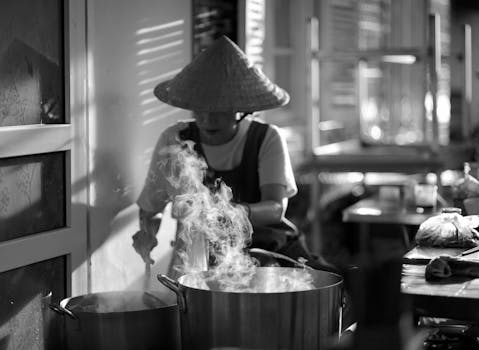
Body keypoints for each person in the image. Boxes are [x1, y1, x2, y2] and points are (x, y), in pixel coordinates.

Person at [133, 35, 335, 272]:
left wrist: (230, 213)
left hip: (267, 254)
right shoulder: (175, 139)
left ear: (241, 108)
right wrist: (147, 233)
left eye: (219, 110)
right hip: (197, 258)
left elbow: (275, 208)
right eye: (200, 108)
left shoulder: (265, 138)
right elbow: (151, 206)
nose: (208, 119)